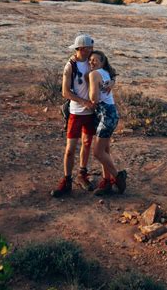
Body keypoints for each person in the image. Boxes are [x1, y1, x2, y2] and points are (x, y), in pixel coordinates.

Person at [51, 34, 97, 197]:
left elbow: (109, 74)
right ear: (83, 48)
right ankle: (67, 179)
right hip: (77, 112)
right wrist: (84, 102)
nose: (92, 49)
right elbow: (65, 92)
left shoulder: (94, 60)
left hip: (91, 113)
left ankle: (82, 174)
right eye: (90, 47)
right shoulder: (70, 65)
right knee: (70, 149)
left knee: (86, 143)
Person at [88, 50, 127, 195]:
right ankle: (107, 183)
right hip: (111, 113)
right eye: (90, 59)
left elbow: (94, 99)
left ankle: (118, 177)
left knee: (98, 152)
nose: (92, 62)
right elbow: (111, 80)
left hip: (105, 115)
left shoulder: (93, 74)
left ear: (102, 62)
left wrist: (92, 89)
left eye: (95, 60)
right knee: (105, 150)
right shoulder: (105, 72)